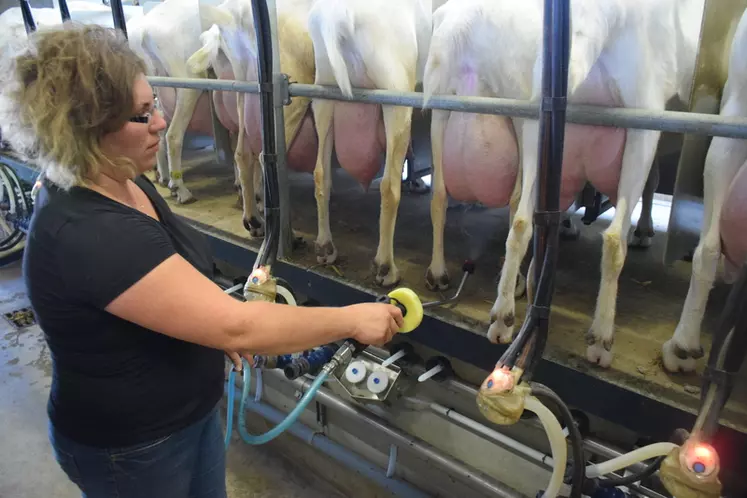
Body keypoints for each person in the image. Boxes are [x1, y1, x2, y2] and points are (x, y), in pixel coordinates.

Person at [0, 22, 404, 498]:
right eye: (140, 115)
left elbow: (174, 282)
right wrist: (353, 320)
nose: (161, 123)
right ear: (87, 128)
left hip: (184, 417)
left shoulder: (123, 180)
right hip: (132, 447)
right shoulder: (89, 230)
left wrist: (203, 326)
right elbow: (238, 327)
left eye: (154, 106)